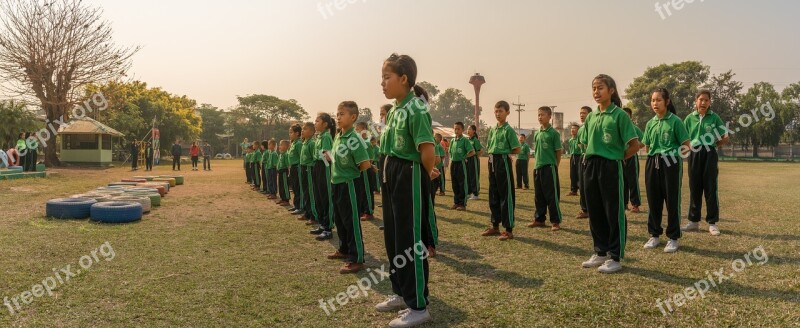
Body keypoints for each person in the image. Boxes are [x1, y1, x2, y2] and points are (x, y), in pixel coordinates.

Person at [374, 53, 436, 327]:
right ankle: (400, 291)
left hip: (408, 174)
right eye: (382, 78)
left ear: (403, 79)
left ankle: (418, 305)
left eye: (387, 78)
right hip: (391, 173)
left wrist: (423, 173)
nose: (383, 83)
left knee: (410, 241)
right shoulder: (396, 110)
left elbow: (427, 150)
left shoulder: (416, 109)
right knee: (394, 237)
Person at [579, 74, 640, 274]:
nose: (596, 92)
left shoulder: (620, 115)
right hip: (591, 165)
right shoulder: (591, 116)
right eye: (594, 88)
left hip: (611, 166)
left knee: (613, 211)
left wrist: (617, 157)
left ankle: (615, 256)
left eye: (600, 88)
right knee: (595, 211)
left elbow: (634, 145)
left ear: (611, 90)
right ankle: (600, 252)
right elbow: (585, 141)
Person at [642, 88, 691, 253]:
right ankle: (654, 235)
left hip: (671, 164)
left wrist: (671, 157)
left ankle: (673, 237)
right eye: (653, 100)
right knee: (653, 200)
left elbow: (686, 147)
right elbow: (647, 146)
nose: (655, 103)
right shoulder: (650, 123)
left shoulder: (676, 121)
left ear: (667, 101)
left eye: (658, 100)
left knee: (672, 201)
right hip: (652, 162)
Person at [327, 101, 372, 274]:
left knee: (351, 221)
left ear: (353, 117)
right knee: (340, 219)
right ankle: (344, 249)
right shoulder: (339, 135)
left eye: (342, 114)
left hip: (349, 184)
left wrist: (350, 174)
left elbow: (365, 164)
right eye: (337, 114)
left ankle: (357, 258)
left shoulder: (355, 139)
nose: (338, 117)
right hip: (336, 183)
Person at [683, 90, 728, 236]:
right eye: (700, 99)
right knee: (694, 186)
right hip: (694, 154)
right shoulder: (689, 118)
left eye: (706, 100)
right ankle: (693, 221)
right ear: (695, 101)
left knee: (710, 187)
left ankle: (712, 222)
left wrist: (714, 146)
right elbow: (683, 137)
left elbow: (725, 137)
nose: (703, 102)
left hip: (709, 153)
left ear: (709, 103)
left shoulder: (714, 118)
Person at [482, 100, 522, 241]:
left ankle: (508, 229)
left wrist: (505, 153)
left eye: (501, 111)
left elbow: (517, 148)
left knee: (506, 194)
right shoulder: (493, 130)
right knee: (493, 193)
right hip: (492, 160)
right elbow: (489, 147)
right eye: (496, 111)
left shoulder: (508, 130)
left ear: (507, 113)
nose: (498, 114)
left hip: (502, 161)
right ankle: (495, 225)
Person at [529, 106, 563, 231]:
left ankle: (555, 221)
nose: (540, 117)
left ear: (550, 117)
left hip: (549, 167)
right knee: (539, 195)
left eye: (542, 115)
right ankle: (539, 219)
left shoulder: (553, 133)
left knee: (552, 195)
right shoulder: (537, 133)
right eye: (538, 115)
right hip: (538, 167)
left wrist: (555, 165)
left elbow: (558, 152)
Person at [622, 108, 645, 213]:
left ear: (631, 117)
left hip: (631, 158)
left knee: (633, 181)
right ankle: (624, 204)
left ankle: (635, 205)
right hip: (620, 157)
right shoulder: (618, 128)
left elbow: (644, 141)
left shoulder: (635, 129)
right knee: (622, 182)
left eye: (627, 115)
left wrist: (636, 147)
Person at [449, 122, 475, 211]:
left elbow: (472, 152)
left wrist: (464, 157)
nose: (456, 131)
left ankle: (462, 204)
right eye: (455, 129)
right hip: (453, 163)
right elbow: (450, 152)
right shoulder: (452, 140)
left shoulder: (465, 140)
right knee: (454, 183)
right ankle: (456, 202)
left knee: (462, 183)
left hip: (461, 164)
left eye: (458, 129)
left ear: (462, 130)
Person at [355, 122, 375, 221]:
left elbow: (371, 158)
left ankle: (369, 212)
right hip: (360, 170)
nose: (356, 131)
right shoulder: (359, 142)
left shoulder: (367, 142)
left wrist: (368, 166)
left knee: (367, 190)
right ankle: (362, 210)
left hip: (366, 170)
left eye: (357, 129)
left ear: (363, 130)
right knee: (361, 190)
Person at [298, 123, 317, 225]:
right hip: (303, 168)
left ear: (311, 132)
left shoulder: (312, 143)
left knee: (311, 193)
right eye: (302, 129)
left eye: (305, 129)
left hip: (309, 169)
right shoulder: (305, 142)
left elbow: (314, 159)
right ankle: (307, 212)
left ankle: (314, 216)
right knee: (305, 192)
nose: (302, 131)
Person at [576, 106, 592, 219]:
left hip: (591, 157)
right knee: (582, 184)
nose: (582, 115)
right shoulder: (580, 129)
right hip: (582, 158)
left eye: (584, 113)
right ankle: (584, 209)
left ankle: (592, 208)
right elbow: (579, 143)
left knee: (590, 185)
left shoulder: (593, 126)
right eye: (580, 113)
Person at [287, 124, 304, 215]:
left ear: (297, 133)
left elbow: (301, 157)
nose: (289, 134)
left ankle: (300, 206)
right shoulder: (293, 143)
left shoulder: (299, 143)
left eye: (291, 132)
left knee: (298, 187)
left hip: (298, 167)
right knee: (294, 187)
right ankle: (296, 205)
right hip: (293, 168)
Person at [466, 124, 482, 200]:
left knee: (474, 176)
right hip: (467, 160)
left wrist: (475, 156)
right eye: (467, 129)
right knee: (468, 176)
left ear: (474, 131)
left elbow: (480, 150)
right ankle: (469, 193)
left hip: (473, 160)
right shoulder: (467, 140)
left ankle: (475, 194)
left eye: (469, 129)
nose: (468, 130)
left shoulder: (475, 140)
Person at [275, 140, 291, 206]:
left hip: (284, 172)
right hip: (280, 172)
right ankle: (282, 198)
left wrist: (289, 173)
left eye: (281, 145)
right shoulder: (281, 154)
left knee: (285, 186)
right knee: (280, 186)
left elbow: (288, 165)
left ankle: (286, 199)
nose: (279, 146)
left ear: (286, 146)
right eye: (279, 145)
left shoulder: (286, 154)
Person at [567, 125, 581, 196]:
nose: (572, 130)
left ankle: (581, 190)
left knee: (579, 174)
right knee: (572, 174)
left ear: (578, 130)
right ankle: (573, 190)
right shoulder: (570, 140)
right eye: (572, 128)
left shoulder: (579, 139)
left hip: (579, 157)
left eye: (574, 128)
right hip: (572, 157)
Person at [433, 133, 446, 197]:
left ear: (440, 139)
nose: (435, 138)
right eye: (435, 137)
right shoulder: (434, 145)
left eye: (436, 137)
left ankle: (442, 191)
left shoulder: (439, 146)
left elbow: (443, 156)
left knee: (441, 179)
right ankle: (434, 190)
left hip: (439, 166)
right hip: (434, 166)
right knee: (435, 178)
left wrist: (439, 162)